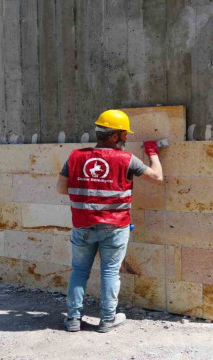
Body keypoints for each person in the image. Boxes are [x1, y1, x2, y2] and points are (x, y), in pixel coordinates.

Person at [56, 109, 163, 332]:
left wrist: (91, 188)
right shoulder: (126, 159)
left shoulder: (75, 156)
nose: (126, 138)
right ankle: (106, 320)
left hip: (83, 225)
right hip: (115, 227)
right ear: (114, 136)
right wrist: (152, 152)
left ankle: (74, 319)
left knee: (79, 271)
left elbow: (60, 189)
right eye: (124, 134)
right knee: (110, 272)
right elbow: (157, 178)